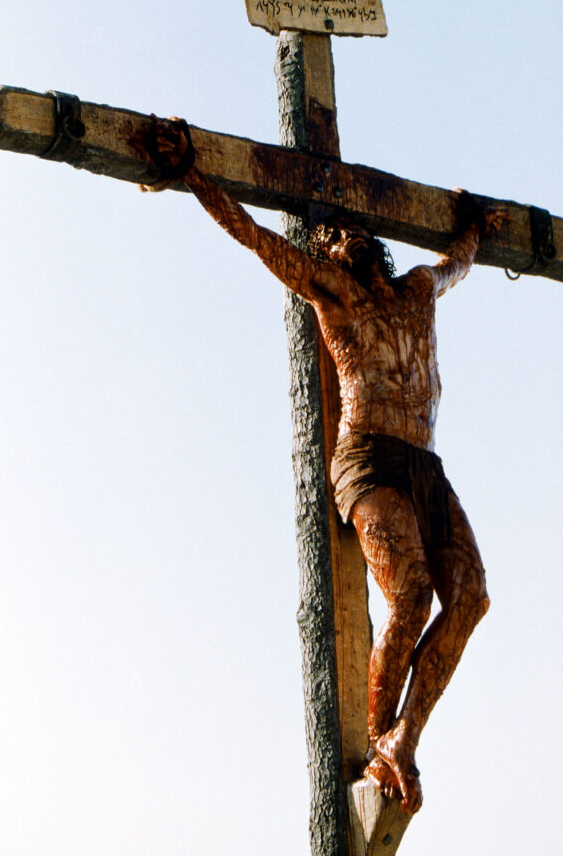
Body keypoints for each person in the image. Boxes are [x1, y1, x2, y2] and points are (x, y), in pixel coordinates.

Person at [142, 119, 505, 814]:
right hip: (367, 458)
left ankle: (402, 738)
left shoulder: (419, 290)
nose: (344, 238)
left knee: (472, 597)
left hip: (425, 463)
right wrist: (191, 173)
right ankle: (378, 741)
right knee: (410, 597)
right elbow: (257, 239)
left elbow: (456, 264)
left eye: (348, 233)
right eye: (331, 237)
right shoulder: (330, 291)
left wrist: (474, 232)